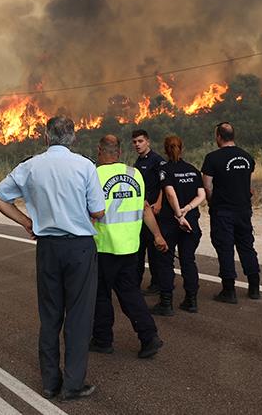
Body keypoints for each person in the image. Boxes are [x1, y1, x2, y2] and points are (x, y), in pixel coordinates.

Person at [0, 116, 104, 401]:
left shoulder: (30, 166)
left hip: (48, 248)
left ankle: (51, 382)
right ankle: (73, 384)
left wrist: (27, 222)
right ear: (73, 138)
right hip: (79, 247)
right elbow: (99, 212)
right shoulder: (85, 165)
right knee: (78, 316)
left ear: (45, 137)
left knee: (50, 315)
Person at [89, 135, 166, 359]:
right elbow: (144, 208)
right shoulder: (136, 174)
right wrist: (158, 235)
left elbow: (92, 213)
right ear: (120, 152)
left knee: (101, 295)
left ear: (99, 150)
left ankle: (103, 340)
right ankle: (149, 336)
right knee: (130, 293)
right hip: (131, 247)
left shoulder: (94, 175)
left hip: (104, 246)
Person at [202, 122, 261, 303]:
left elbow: (207, 186)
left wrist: (213, 202)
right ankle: (254, 288)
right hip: (243, 210)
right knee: (246, 246)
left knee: (225, 248)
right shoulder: (247, 157)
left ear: (219, 136)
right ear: (233, 136)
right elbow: (247, 184)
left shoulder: (212, 158)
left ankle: (229, 291)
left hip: (223, 211)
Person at [153, 135, 207, 315]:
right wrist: (188, 209)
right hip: (191, 223)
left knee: (165, 261)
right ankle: (191, 301)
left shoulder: (164, 170)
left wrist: (178, 214)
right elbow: (202, 195)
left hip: (171, 223)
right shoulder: (192, 170)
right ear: (181, 148)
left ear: (165, 150)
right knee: (188, 260)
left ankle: (166, 303)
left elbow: (170, 194)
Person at [131, 129, 168, 295]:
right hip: (141, 213)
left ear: (148, 142)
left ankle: (157, 283)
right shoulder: (137, 163)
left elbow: (164, 184)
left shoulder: (157, 161)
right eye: (135, 142)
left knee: (154, 251)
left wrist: (159, 203)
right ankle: (135, 283)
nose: (137, 145)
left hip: (154, 212)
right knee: (139, 251)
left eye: (140, 141)